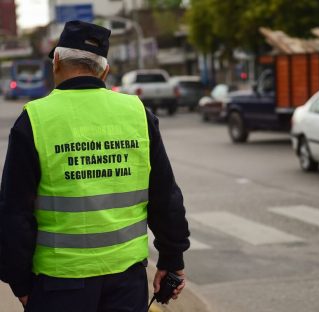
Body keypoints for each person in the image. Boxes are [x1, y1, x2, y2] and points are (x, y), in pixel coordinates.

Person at [0, 20, 190, 312]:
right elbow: (166, 197)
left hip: (59, 284)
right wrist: (172, 260)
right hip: (127, 280)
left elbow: (14, 214)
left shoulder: (34, 120)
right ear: (104, 70)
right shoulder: (138, 114)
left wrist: (20, 283)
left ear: (57, 62)